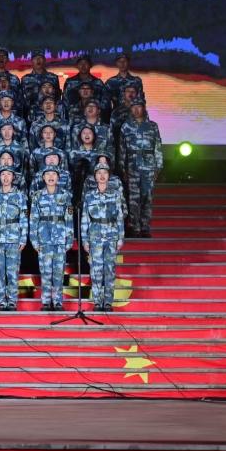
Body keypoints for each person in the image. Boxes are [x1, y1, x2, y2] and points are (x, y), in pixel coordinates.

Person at [0, 166, 29, 311]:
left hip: (14, 237)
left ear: (13, 177)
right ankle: (1, 301)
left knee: (12, 271)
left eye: (8, 174)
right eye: (3, 174)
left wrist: (23, 238)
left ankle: (12, 301)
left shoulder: (20, 195)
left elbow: (24, 217)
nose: (5, 177)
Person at [82, 162, 125, 312]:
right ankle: (97, 301)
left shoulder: (115, 194)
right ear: (95, 176)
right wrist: (84, 239)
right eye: (99, 173)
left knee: (110, 270)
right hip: (95, 236)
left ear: (108, 176)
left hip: (112, 236)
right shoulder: (89, 196)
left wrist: (120, 237)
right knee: (96, 270)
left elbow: (119, 217)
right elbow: (85, 218)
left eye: (105, 173)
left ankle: (108, 302)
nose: (102, 175)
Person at [29, 166, 73, 311]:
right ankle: (46, 301)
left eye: (54, 174)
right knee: (46, 271)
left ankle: (58, 301)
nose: (51, 176)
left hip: (60, 238)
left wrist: (69, 238)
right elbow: (33, 219)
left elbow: (69, 218)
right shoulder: (37, 196)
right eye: (47, 174)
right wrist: (34, 240)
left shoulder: (66, 195)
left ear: (58, 177)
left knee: (59, 272)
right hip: (44, 238)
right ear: (43, 178)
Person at [119, 100, 163, 238]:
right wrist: (122, 168)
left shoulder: (152, 126)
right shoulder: (126, 126)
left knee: (147, 197)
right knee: (133, 198)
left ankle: (145, 227)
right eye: (134, 107)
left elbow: (157, 146)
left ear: (143, 108)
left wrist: (158, 166)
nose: (136, 110)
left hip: (148, 165)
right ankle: (135, 227)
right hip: (132, 165)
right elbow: (122, 148)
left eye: (139, 107)